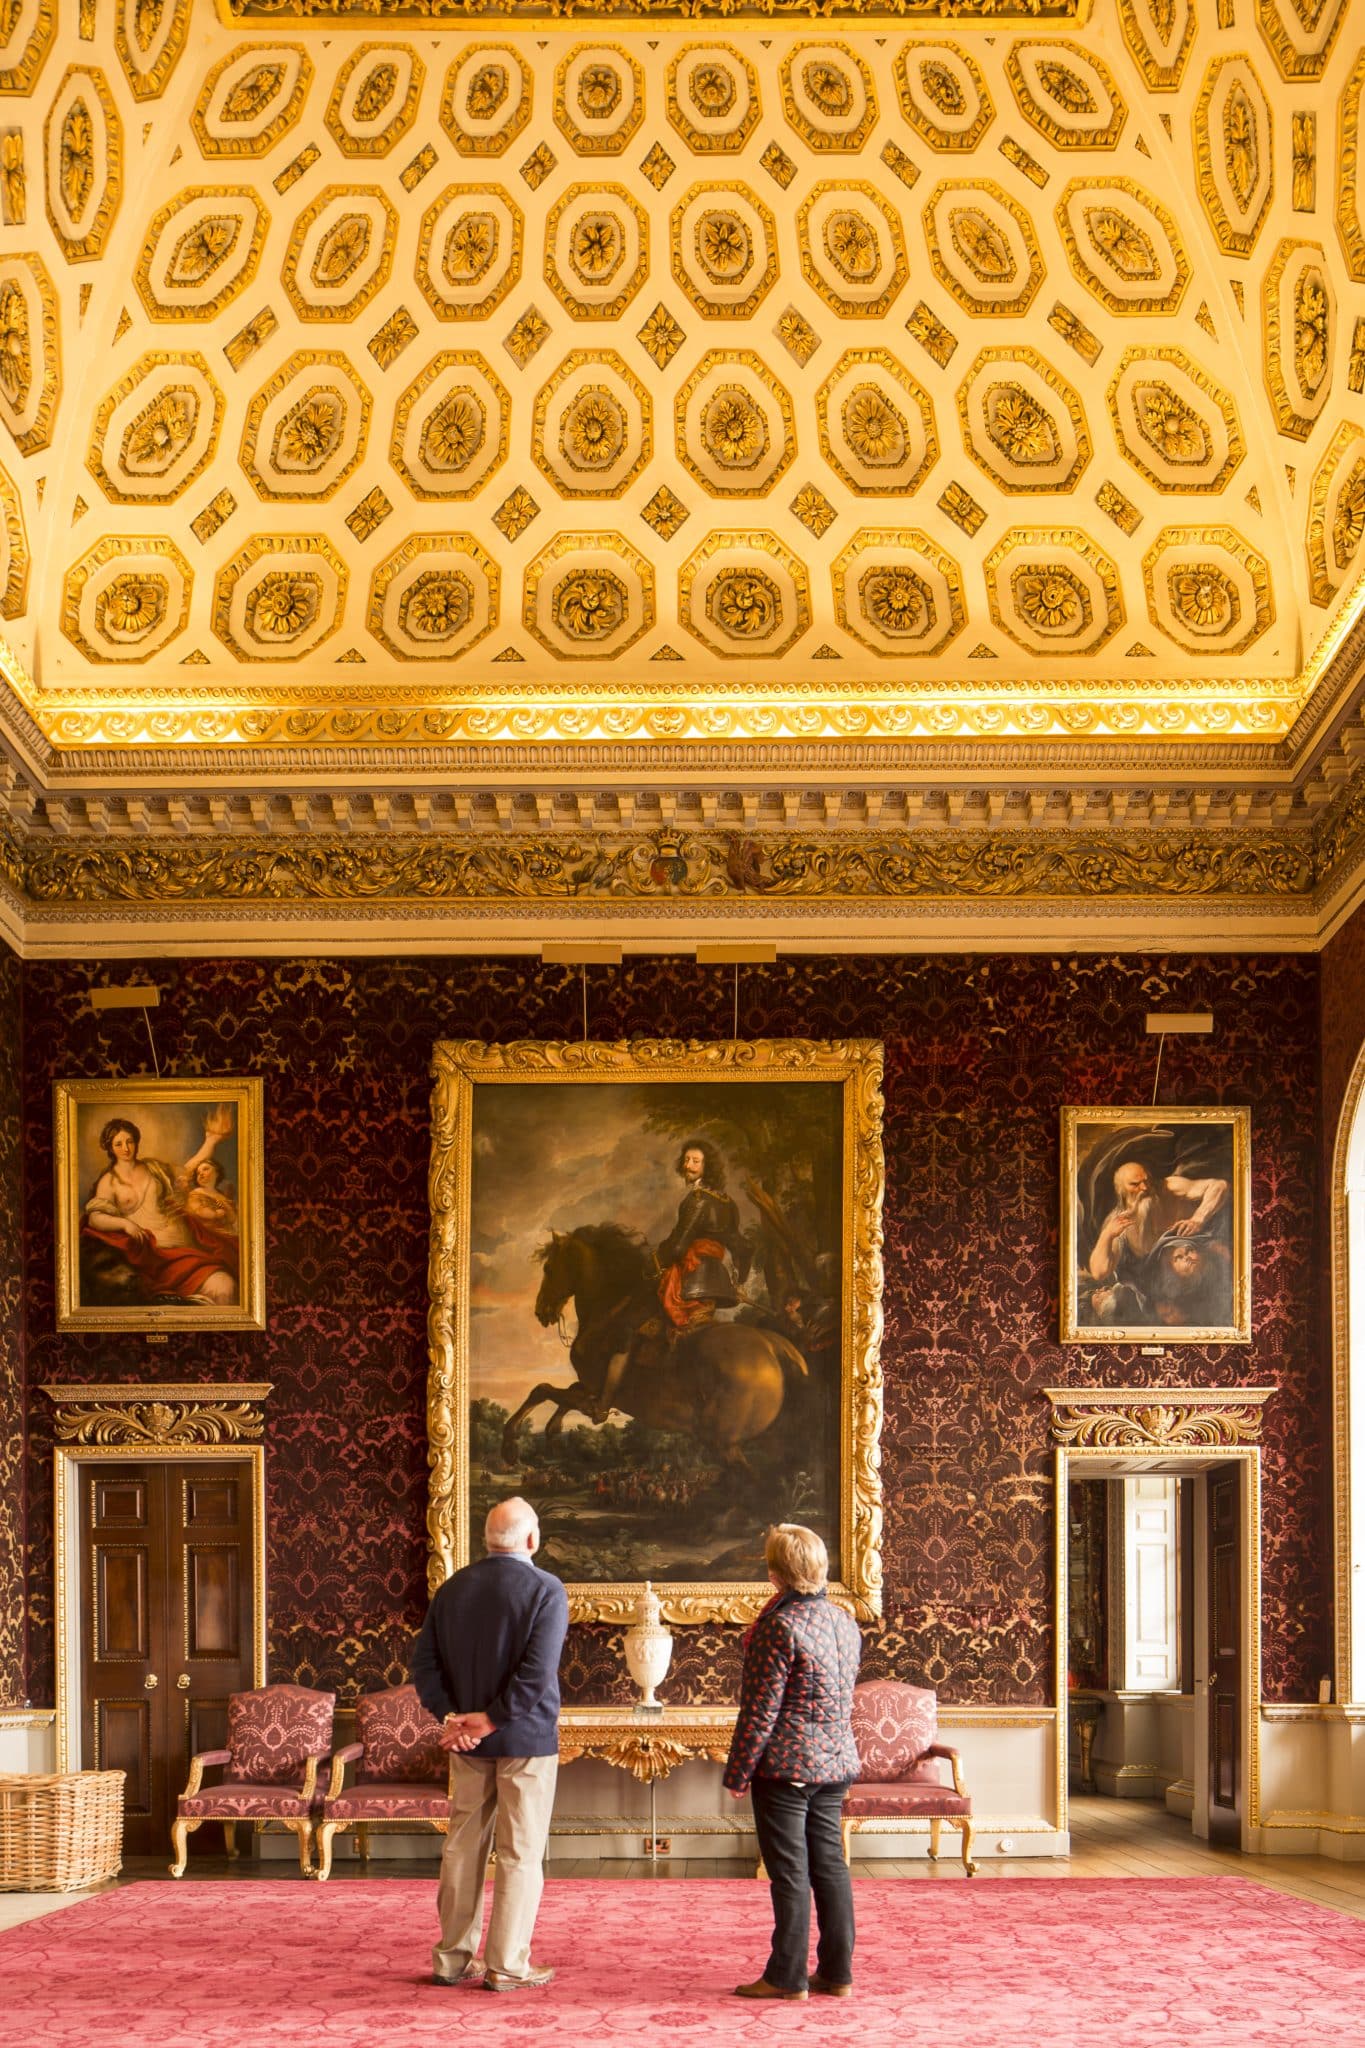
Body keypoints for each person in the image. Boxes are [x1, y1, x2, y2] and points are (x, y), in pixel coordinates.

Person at [410, 1496, 569, 1994]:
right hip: (526, 1740)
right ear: (532, 1539)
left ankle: (452, 1960)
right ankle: (507, 1965)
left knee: (462, 1846)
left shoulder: (453, 1589)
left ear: (487, 1540)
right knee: (520, 1853)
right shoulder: (547, 1589)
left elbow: (424, 1667)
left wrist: (454, 1719)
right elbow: (537, 1676)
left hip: (466, 1744)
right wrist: (492, 1719)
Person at [723, 1523, 862, 2002]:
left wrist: (738, 1773)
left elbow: (760, 1712)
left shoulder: (778, 1627)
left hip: (786, 1767)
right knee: (831, 1866)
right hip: (835, 1764)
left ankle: (786, 1977)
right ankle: (837, 1973)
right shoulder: (845, 1621)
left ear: (774, 1575)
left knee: (790, 1872)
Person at [81, 1107, 239, 1305]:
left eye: (130, 1141)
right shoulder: (109, 1181)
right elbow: (95, 1218)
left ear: (136, 1141)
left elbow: (188, 1169)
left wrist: (212, 1140)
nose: (126, 1148)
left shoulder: (153, 1167)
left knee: (225, 1286)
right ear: (110, 1147)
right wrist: (124, 1224)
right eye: (118, 1144)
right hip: (152, 1259)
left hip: (184, 1253)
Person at [1087, 1156, 1228, 1287]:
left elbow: (1220, 1186)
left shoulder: (1168, 1188)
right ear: (1121, 1190)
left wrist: (1198, 1219)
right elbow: (1099, 1273)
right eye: (1135, 1184)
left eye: (1146, 1180)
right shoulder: (1119, 1221)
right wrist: (1107, 1235)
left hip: (1201, 1260)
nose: (1145, 1188)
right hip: (1165, 1284)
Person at [656, 1138, 750, 1332]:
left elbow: (678, 1248)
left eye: (695, 1161)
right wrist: (740, 1282)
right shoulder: (728, 1202)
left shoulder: (696, 1200)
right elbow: (743, 1247)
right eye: (686, 1159)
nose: (688, 1165)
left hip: (691, 1280)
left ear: (708, 1167)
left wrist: (653, 1263)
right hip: (716, 1285)